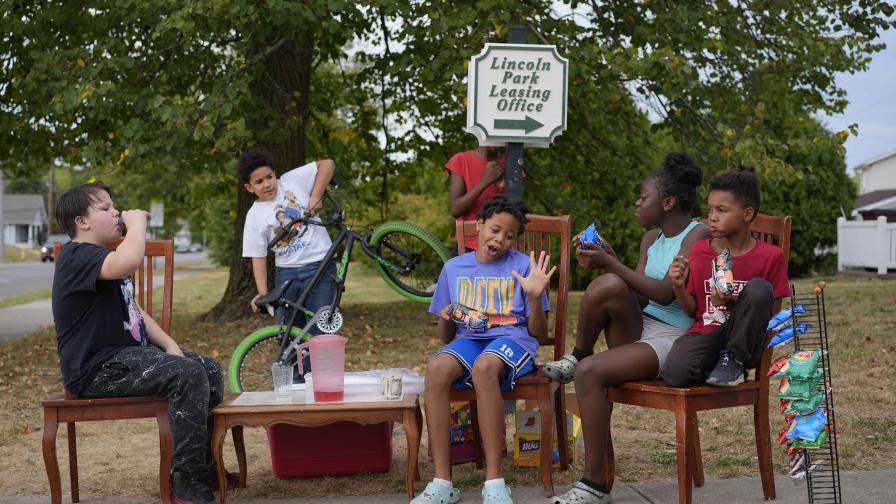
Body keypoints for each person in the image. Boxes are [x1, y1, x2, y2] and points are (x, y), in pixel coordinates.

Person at [552, 170, 789, 504]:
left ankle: (594, 484)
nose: (712, 217)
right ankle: (595, 480)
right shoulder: (691, 249)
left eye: (721, 210)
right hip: (685, 331)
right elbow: (679, 305)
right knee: (604, 350)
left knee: (758, 289)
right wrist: (663, 279)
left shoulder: (741, 249)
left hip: (707, 339)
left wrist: (742, 333)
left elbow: (769, 308)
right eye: (711, 209)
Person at [51, 183, 224, 504]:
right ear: (82, 222)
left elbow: (137, 312)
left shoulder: (102, 259)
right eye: (105, 208)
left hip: (128, 359)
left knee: (207, 368)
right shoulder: (77, 255)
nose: (115, 212)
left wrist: (172, 347)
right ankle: (185, 481)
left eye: (115, 206)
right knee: (187, 375)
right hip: (96, 369)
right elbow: (129, 261)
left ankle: (204, 467)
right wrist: (138, 223)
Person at [413, 195, 556, 504]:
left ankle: (494, 481)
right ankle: (441, 483)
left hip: (514, 340)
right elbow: (445, 336)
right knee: (436, 369)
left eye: (509, 235)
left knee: (485, 368)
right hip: (468, 340)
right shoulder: (453, 268)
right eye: (494, 230)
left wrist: (534, 296)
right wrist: (445, 314)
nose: (500, 239)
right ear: (478, 225)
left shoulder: (522, 266)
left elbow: (540, 335)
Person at [543, 152, 710, 384]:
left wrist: (611, 263)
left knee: (590, 372)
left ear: (668, 202)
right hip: (640, 325)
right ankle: (579, 355)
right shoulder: (651, 239)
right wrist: (611, 258)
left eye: (643, 197)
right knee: (609, 284)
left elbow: (664, 293)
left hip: (673, 336)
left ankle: (580, 358)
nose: (637, 203)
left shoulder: (698, 233)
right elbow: (641, 298)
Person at [239, 148, 337, 332]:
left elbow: (327, 164)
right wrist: (263, 293)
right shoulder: (254, 216)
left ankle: (322, 361)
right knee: (288, 334)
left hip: (321, 266)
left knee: (322, 330)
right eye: (259, 182)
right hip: (287, 275)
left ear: (275, 174)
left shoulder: (291, 180)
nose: (267, 184)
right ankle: (294, 362)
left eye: (269, 177)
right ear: (249, 187)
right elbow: (258, 257)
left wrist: (316, 196)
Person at [446, 146, 506, 252]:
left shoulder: (511, 162)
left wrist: (502, 189)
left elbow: (516, 211)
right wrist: (485, 181)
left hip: (502, 244)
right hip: (468, 246)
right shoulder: (461, 160)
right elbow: (456, 210)